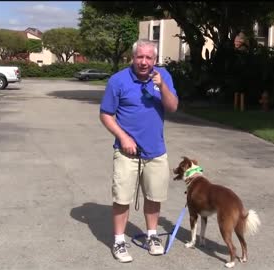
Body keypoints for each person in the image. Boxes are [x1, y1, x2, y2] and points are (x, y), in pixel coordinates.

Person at [99, 39, 179, 263]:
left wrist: (161, 85)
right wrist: (123, 137)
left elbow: (172, 107)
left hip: (156, 151)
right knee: (122, 199)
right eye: (139, 57)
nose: (144, 62)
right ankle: (119, 241)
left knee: (154, 197)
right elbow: (105, 114)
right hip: (127, 153)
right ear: (132, 58)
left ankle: (152, 236)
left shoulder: (163, 76)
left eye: (148, 58)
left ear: (155, 59)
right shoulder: (118, 81)